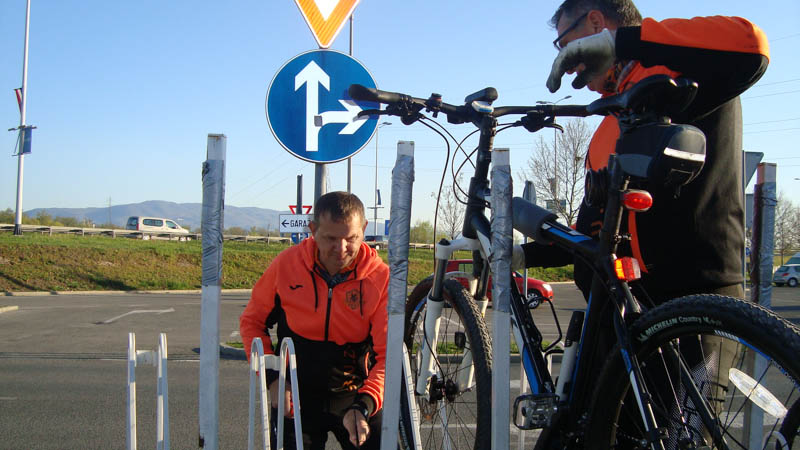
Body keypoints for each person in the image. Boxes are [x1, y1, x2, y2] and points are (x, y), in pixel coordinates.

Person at [519, 0, 769, 443]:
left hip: (697, 300)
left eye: (564, 43)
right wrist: (523, 255)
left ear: (595, 22)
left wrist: (621, 42)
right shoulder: (606, 128)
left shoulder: (677, 64)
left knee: (682, 440)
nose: (566, 60)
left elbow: (752, 44)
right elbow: (592, 233)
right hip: (623, 315)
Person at [240, 191, 389, 450]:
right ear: (313, 230)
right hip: (295, 395)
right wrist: (273, 379)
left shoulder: (380, 277)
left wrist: (365, 405)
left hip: (355, 395)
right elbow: (251, 322)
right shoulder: (286, 265)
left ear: (364, 230)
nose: (341, 249)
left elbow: (389, 355)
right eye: (330, 238)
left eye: (351, 238)